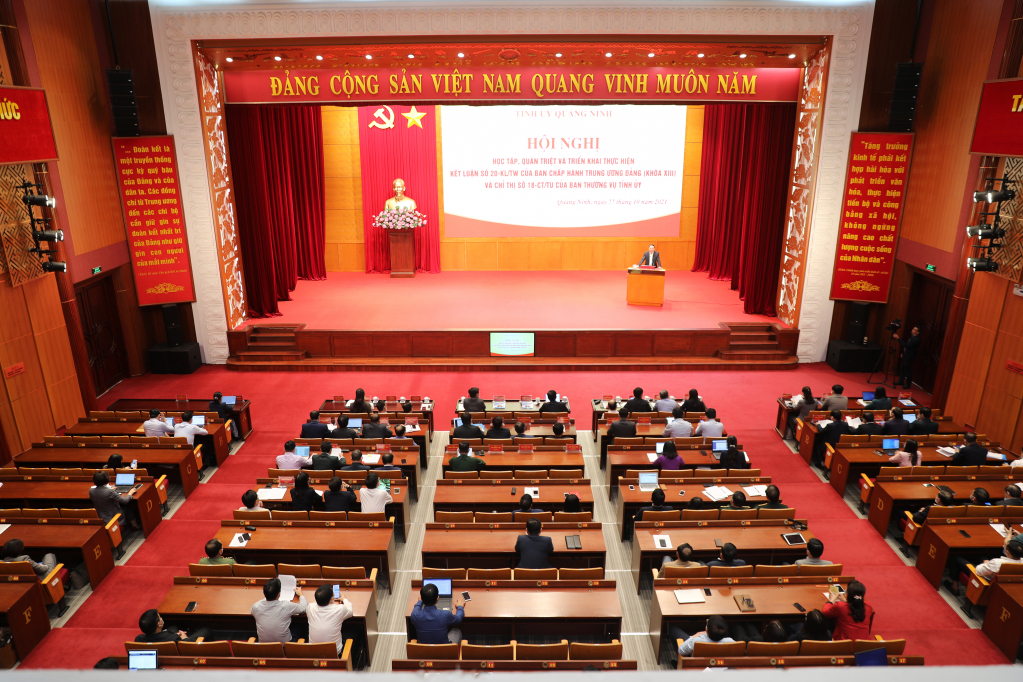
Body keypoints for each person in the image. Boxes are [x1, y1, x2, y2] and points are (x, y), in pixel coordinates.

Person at [252, 578, 307, 643]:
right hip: (284, 646)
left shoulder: (256, 607)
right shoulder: (286, 605)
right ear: (279, 594)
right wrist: (301, 595)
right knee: (299, 626)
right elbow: (304, 608)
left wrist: (269, 595)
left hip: (264, 646)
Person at [308, 583, 353, 655]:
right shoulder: (339, 609)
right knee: (354, 631)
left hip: (313, 652)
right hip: (335, 653)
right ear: (332, 599)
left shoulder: (310, 607)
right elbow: (350, 612)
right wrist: (344, 599)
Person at [671, 615, 735, 657]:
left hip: (697, 666)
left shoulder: (696, 641)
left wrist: (693, 637)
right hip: (719, 665)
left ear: (706, 630)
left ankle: (678, 664)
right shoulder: (730, 642)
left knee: (673, 629)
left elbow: (681, 651)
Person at [135, 608, 211, 643]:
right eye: (160, 617)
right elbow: (186, 646)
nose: (161, 618)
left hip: (167, 638)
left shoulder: (139, 639)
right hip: (186, 644)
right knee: (206, 630)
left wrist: (174, 635)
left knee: (172, 627)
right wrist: (184, 638)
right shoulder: (173, 639)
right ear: (159, 624)